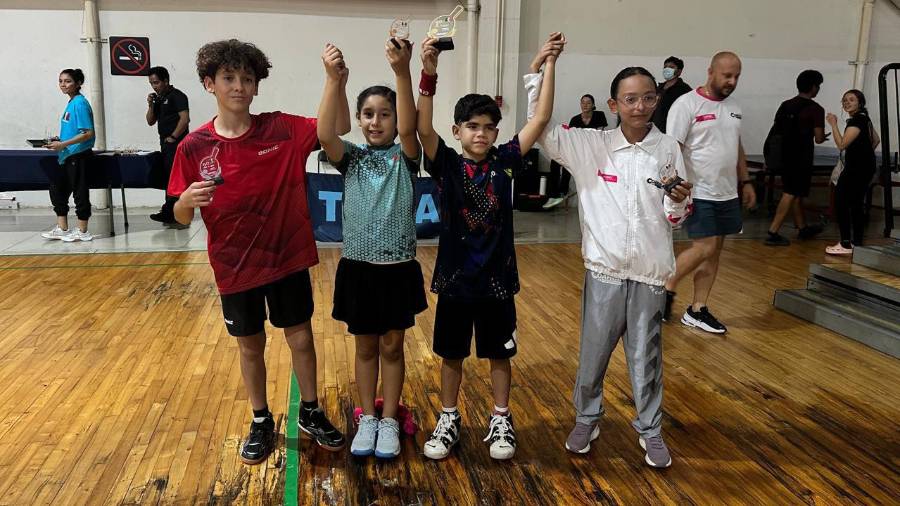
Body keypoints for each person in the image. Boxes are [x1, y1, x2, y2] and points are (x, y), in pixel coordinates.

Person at [168, 39, 350, 465]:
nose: (239, 86)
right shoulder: (193, 147)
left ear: (256, 87)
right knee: (250, 346)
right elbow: (178, 216)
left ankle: (310, 410)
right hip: (234, 266)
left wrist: (334, 80)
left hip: (285, 259)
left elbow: (335, 127)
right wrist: (185, 202)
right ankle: (261, 418)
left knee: (301, 337)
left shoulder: (282, 129)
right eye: (229, 78)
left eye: (247, 79)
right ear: (209, 83)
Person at [526, 63, 693, 468]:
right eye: (630, 99)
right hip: (604, 271)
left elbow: (678, 216)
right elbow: (542, 130)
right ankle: (587, 419)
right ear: (613, 104)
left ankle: (650, 429)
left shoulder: (668, 148)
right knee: (594, 353)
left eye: (648, 97)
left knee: (646, 357)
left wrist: (677, 201)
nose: (640, 107)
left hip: (649, 273)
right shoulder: (591, 146)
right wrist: (539, 77)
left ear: (657, 99)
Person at [416, 32, 564, 461]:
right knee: (451, 356)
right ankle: (449, 417)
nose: (481, 133)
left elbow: (541, 117)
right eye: (472, 126)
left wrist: (546, 64)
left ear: (497, 131)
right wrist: (428, 73)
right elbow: (422, 127)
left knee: (501, 357)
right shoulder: (445, 163)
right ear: (457, 130)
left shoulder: (505, 160)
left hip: (498, 283)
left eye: (488, 127)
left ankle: (501, 417)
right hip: (456, 283)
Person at [317, 38, 427, 459]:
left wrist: (403, 71)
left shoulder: (407, 156)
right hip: (358, 268)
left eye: (385, 114)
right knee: (364, 346)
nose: (377, 121)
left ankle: (389, 418)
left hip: (398, 268)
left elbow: (409, 127)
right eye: (368, 115)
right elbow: (326, 131)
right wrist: (334, 81)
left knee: (392, 346)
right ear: (360, 121)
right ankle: (367, 416)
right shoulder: (353, 158)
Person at [663, 51, 756, 334]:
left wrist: (746, 180)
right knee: (705, 247)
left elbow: (736, 146)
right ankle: (663, 288)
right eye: (727, 75)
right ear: (711, 72)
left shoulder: (734, 107)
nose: (732, 81)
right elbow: (672, 148)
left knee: (714, 254)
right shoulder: (686, 104)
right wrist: (674, 188)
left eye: (736, 76)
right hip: (697, 191)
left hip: (727, 193)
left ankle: (697, 309)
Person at [764, 70, 828, 246]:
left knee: (795, 192)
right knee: (791, 192)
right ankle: (773, 231)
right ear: (814, 87)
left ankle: (802, 228)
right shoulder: (816, 109)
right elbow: (819, 138)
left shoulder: (785, 105)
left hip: (783, 155)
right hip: (801, 156)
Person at [41, 68, 96, 243]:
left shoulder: (80, 103)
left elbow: (88, 133)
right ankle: (63, 228)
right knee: (57, 189)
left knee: (79, 192)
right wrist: (60, 139)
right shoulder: (71, 103)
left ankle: (83, 231)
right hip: (67, 155)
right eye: (61, 81)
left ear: (78, 83)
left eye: (68, 81)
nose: (63, 84)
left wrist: (62, 144)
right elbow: (73, 130)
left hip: (78, 155)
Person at [825, 90, 880, 255]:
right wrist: (864, 153)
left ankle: (845, 243)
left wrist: (833, 124)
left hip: (856, 168)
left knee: (841, 200)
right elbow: (876, 140)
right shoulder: (865, 119)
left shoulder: (857, 120)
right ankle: (856, 241)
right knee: (856, 203)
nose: (847, 103)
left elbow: (842, 144)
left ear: (859, 103)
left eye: (851, 100)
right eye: (844, 100)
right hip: (865, 166)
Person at [543, 94, 607, 209]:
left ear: (593, 105)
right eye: (583, 102)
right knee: (556, 161)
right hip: (577, 148)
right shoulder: (575, 119)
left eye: (588, 102)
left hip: (592, 150)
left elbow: (600, 135)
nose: (585, 105)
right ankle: (554, 194)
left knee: (571, 162)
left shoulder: (599, 115)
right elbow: (570, 137)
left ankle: (563, 191)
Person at [146, 66, 190, 225]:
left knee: (175, 178)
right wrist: (151, 105)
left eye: (156, 82)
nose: (154, 86)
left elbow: (184, 119)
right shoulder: (158, 99)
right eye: (151, 83)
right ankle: (170, 213)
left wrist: (173, 137)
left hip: (177, 144)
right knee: (169, 178)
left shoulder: (177, 96)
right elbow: (150, 121)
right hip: (165, 144)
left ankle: (174, 212)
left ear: (166, 81)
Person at [651, 56, 692, 133]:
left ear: (679, 71)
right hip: (655, 129)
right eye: (665, 67)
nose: (667, 69)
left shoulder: (684, 90)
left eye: (671, 67)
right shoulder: (658, 88)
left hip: (672, 129)